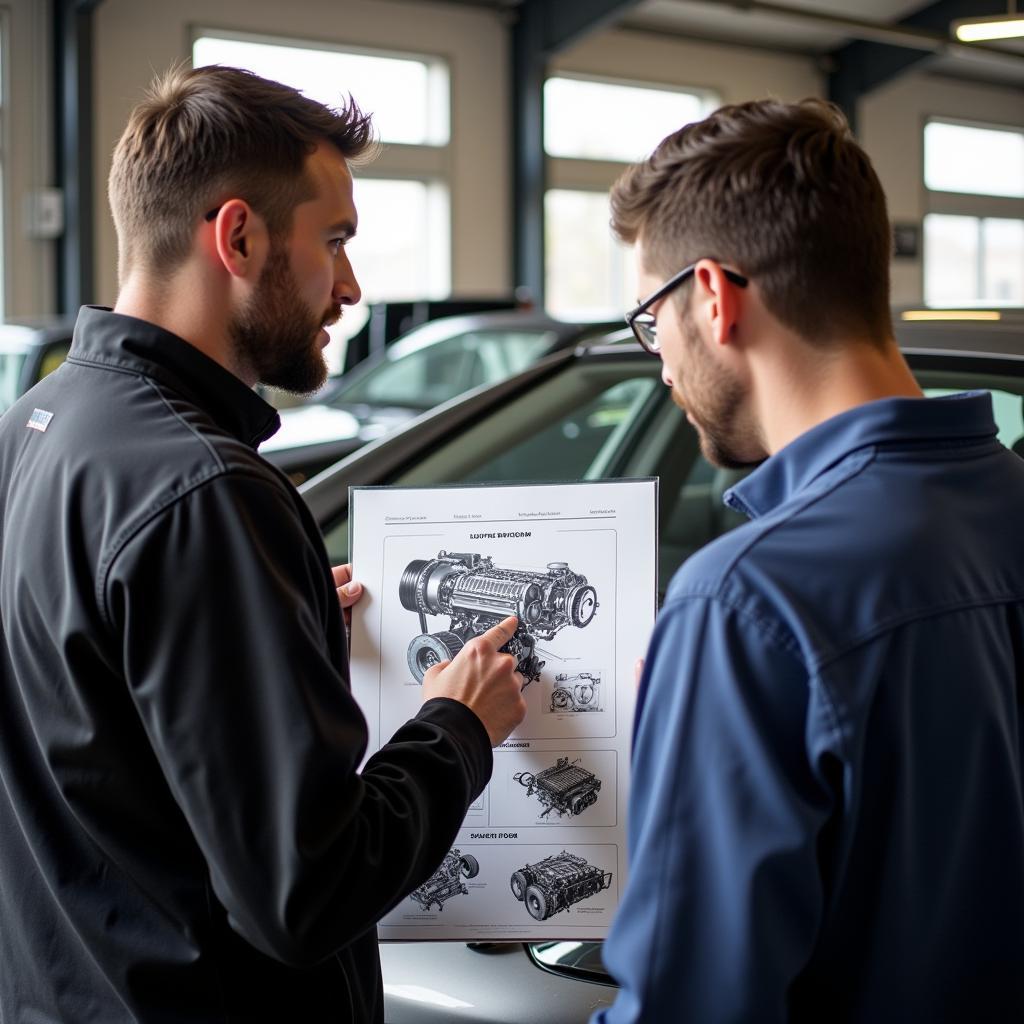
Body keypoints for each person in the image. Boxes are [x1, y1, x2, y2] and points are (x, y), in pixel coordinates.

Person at [0, 65, 526, 1022]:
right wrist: (459, 727)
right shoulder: (206, 491)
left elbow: (87, 716)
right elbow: (304, 893)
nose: (354, 286)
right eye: (335, 241)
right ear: (238, 235)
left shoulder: (38, 426)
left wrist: (271, 628)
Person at [595, 98, 1024, 1023]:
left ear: (712, 296)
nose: (660, 363)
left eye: (649, 318)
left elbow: (688, 1006)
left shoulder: (745, 603)